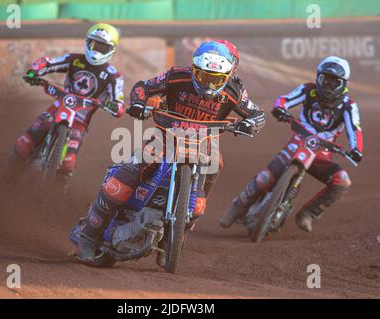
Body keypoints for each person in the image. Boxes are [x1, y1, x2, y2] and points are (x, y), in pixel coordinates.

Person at [72, 41, 266, 265]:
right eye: (204, 76)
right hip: (165, 135)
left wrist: (249, 124)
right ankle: (87, 238)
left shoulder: (235, 91)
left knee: (208, 182)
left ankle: (174, 239)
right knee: (125, 178)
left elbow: (258, 114)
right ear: (194, 70)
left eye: (217, 79)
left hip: (204, 143)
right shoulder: (176, 76)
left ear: (228, 74)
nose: (210, 84)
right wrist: (139, 103)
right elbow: (143, 86)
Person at [219, 56, 364, 232]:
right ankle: (235, 209)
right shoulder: (308, 90)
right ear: (318, 77)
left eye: (334, 83)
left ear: (343, 84)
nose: (328, 86)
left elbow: (354, 128)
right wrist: (280, 109)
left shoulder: (348, 105)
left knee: (342, 181)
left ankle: (308, 214)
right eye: (325, 80)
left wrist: (357, 149)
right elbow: (284, 99)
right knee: (265, 177)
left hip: (321, 154)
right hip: (297, 143)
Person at [7, 23, 125, 181]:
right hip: (57, 108)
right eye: (94, 44)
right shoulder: (74, 60)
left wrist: (114, 106)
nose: (96, 50)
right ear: (87, 42)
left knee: (68, 163)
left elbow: (119, 103)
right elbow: (48, 62)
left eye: (102, 47)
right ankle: (6, 179)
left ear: (111, 50)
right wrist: (33, 71)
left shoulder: (113, 77)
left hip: (79, 120)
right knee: (23, 144)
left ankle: (57, 197)